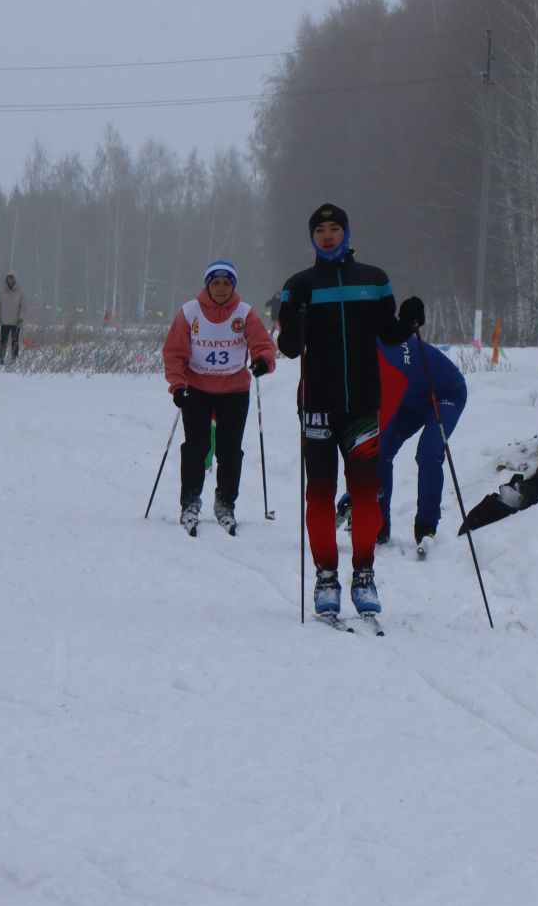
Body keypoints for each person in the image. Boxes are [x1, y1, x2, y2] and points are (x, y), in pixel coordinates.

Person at [276, 203, 423, 618]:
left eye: (335, 228)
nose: (327, 235)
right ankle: (326, 576)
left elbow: (390, 335)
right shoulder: (298, 284)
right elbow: (289, 349)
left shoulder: (373, 280)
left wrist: (410, 320)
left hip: (361, 405)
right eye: (320, 229)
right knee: (319, 495)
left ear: (347, 232)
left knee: (363, 494)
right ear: (311, 237)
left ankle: (363, 574)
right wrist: (295, 311)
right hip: (318, 406)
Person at [162, 259, 276, 535]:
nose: (222, 288)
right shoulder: (190, 313)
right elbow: (174, 353)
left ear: (233, 286)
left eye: (227, 283)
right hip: (197, 390)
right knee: (196, 447)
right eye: (216, 283)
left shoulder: (244, 313)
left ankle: (225, 503)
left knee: (229, 450)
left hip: (234, 391)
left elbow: (263, 345)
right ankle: (190, 501)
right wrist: (177, 386)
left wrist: (262, 361)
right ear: (208, 285)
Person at [336, 333, 469, 554]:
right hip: (410, 398)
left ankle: (426, 527)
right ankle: (379, 525)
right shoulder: (363, 353)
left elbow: (372, 435)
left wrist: (355, 492)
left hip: (446, 393)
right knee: (382, 452)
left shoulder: (387, 367)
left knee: (428, 453)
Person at [0, 273, 26, 365]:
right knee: (3, 339)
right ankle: (1, 357)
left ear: (15, 280)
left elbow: (24, 306)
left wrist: (21, 318)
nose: (10, 280)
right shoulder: (2, 292)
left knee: (15, 340)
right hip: (4, 320)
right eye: (9, 279)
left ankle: (14, 358)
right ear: (7, 280)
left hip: (16, 321)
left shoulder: (20, 292)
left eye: (12, 279)